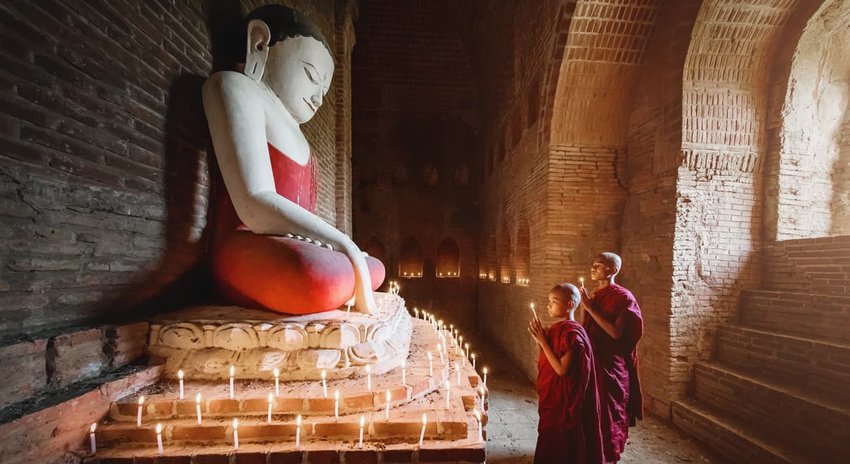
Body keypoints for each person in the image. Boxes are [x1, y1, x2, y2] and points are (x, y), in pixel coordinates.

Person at [202, 5, 384, 315]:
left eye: (325, 92)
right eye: (312, 76)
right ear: (260, 43)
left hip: (292, 244)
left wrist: (341, 248)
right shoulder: (235, 89)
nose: (318, 98)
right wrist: (345, 246)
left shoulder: (300, 137)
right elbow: (255, 203)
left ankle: (340, 271)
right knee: (316, 276)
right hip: (247, 241)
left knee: (374, 267)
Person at [528, 283, 604, 464]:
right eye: (548, 301)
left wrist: (543, 342)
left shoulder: (572, 334)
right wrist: (543, 339)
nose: (549, 305)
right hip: (554, 399)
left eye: (554, 301)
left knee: (560, 443)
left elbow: (562, 370)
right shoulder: (558, 329)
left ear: (569, 305)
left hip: (565, 403)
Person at [578, 252, 643, 463]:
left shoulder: (623, 297)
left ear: (613, 270)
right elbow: (584, 327)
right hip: (591, 358)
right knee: (588, 408)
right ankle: (590, 452)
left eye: (599, 265)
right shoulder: (594, 296)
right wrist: (584, 307)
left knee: (607, 411)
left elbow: (616, 333)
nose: (593, 267)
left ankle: (607, 454)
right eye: (593, 264)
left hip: (610, 364)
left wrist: (590, 308)